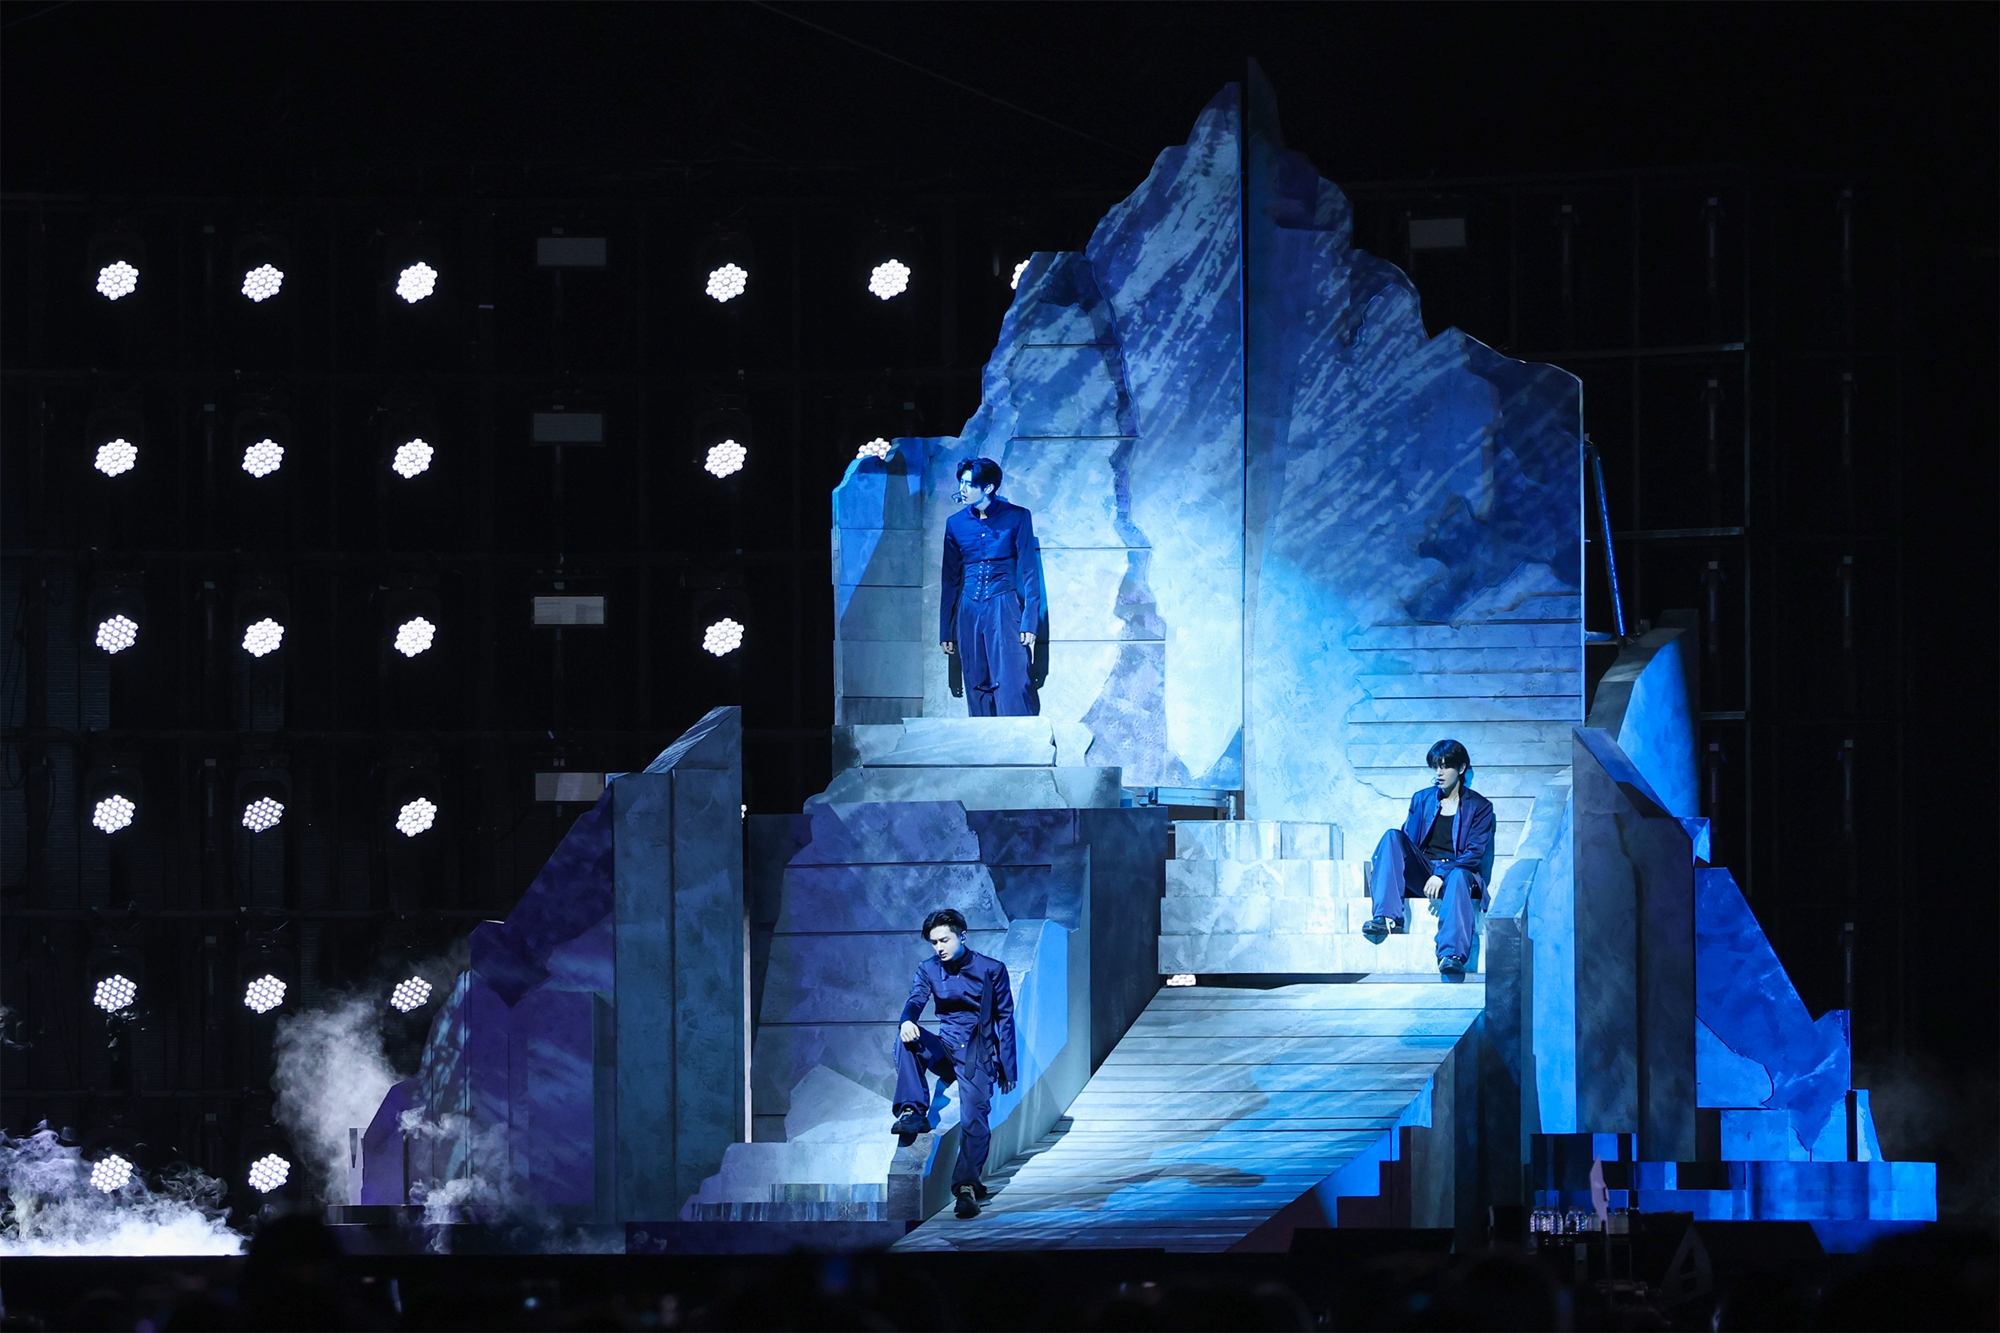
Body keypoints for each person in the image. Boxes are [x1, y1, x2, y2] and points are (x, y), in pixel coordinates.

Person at [890, 908, 1018, 1218]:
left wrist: (1007, 1067)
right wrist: (907, 1020)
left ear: (962, 935)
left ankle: (966, 1188)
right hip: (946, 1048)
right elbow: (916, 998)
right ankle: (912, 1110)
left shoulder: (991, 969)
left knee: (974, 1117)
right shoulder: (929, 969)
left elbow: (1005, 1018)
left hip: (977, 1053)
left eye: (944, 940)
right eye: (934, 943)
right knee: (906, 1037)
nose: (939, 948)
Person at [1362, 739, 1495, 975]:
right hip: (1426, 871)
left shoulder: (1480, 807)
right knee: (1392, 836)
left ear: (1461, 769)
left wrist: (1441, 873)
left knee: (1456, 876)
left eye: (1445, 766)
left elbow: (1474, 854)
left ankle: (1451, 955)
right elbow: (1407, 842)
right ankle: (1385, 917)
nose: (1439, 772)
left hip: (1460, 873)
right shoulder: (1422, 799)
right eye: (1435, 767)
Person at [940, 457, 1044, 717]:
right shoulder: (955, 523)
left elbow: (1030, 573)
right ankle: (983, 750)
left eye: (968, 484)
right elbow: (950, 580)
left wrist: (1030, 622)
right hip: (969, 609)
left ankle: (1022, 749)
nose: (962, 489)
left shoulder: (1017, 517)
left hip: (1004, 605)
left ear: (987, 488)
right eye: (961, 483)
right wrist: (945, 630)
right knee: (976, 679)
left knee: (1015, 680)